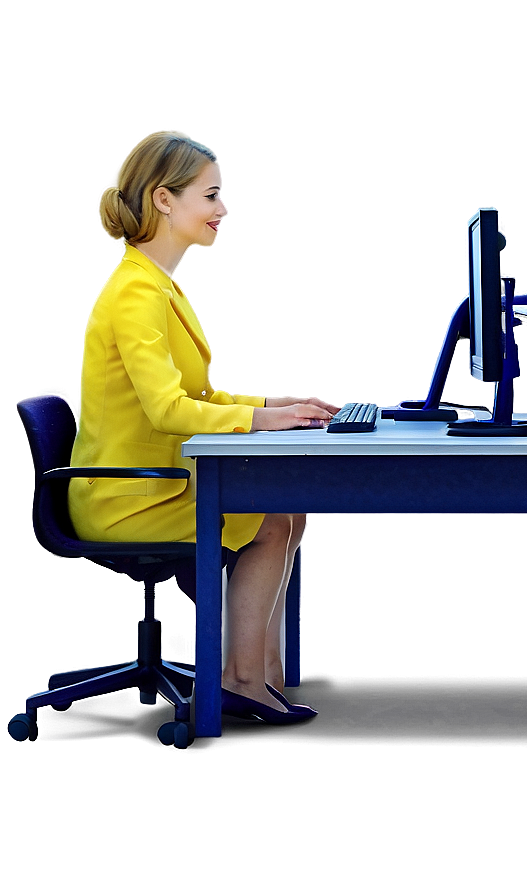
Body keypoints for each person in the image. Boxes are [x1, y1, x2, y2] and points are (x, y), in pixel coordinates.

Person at [69, 131, 341, 723]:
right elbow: (170, 410)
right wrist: (261, 420)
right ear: (164, 199)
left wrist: (273, 403)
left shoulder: (161, 285)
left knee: (287, 510)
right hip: (122, 495)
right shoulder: (136, 293)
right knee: (271, 518)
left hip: (149, 482)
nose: (224, 211)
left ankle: (261, 673)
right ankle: (242, 679)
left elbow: (194, 395)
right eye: (212, 196)